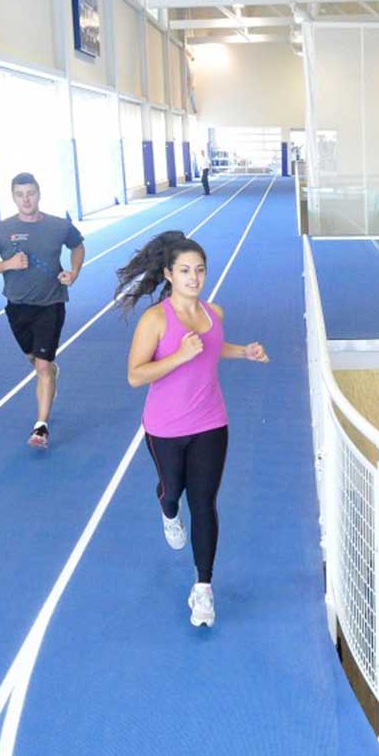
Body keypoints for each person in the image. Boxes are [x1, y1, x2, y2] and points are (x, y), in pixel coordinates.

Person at [119, 230, 268, 627]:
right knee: (174, 491)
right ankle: (168, 511)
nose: (193, 277)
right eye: (185, 270)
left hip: (210, 422)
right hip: (165, 427)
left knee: (204, 502)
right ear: (168, 273)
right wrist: (180, 356)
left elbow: (214, 348)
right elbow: (136, 375)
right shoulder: (155, 320)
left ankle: (203, 588)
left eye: (199, 270)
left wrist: (245, 352)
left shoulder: (213, 313)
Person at [0, 172, 85, 449]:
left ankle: (41, 427)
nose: (26, 199)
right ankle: (46, 371)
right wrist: (7, 264)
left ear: (39, 193)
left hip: (51, 304)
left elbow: (77, 246)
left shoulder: (59, 225)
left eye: (31, 193)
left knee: (43, 365)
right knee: (33, 359)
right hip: (17, 307)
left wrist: (73, 272)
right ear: (13, 197)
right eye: (20, 194)